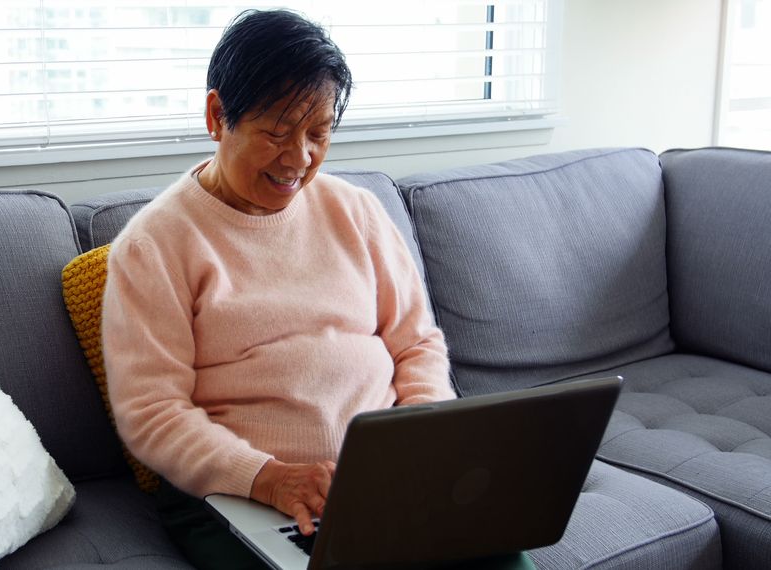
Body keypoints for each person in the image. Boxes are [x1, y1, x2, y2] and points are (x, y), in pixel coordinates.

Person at [102, 9, 531, 570]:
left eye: (319, 133)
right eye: (277, 133)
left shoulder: (355, 211)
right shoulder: (153, 246)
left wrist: (421, 438)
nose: (299, 158)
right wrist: (268, 478)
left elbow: (417, 345)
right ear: (216, 116)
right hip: (239, 496)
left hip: (382, 481)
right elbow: (152, 413)